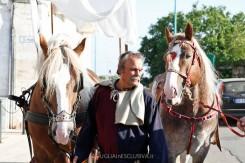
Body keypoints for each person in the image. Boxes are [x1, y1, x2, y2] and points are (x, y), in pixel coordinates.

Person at [73, 51, 169, 163]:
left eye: (140, 70)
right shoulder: (101, 93)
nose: (138, 74)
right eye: (133, 69)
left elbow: (157, 138)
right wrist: (79, 153)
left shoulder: (146, 98)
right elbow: (89, 127)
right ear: (120, 70)